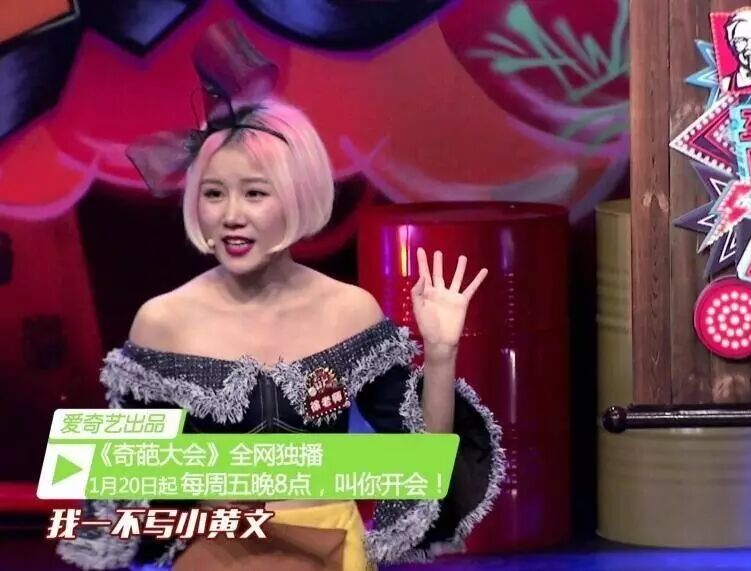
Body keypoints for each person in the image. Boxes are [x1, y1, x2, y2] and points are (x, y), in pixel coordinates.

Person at [56, 21, 503, 571]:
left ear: (296, 196)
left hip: (329, 552)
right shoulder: (162, 321)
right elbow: (125, 501)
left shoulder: (350, 312)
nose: (231, 215)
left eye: (254, 193)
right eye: (214, 194)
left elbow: (421, 468)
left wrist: (440, 353)